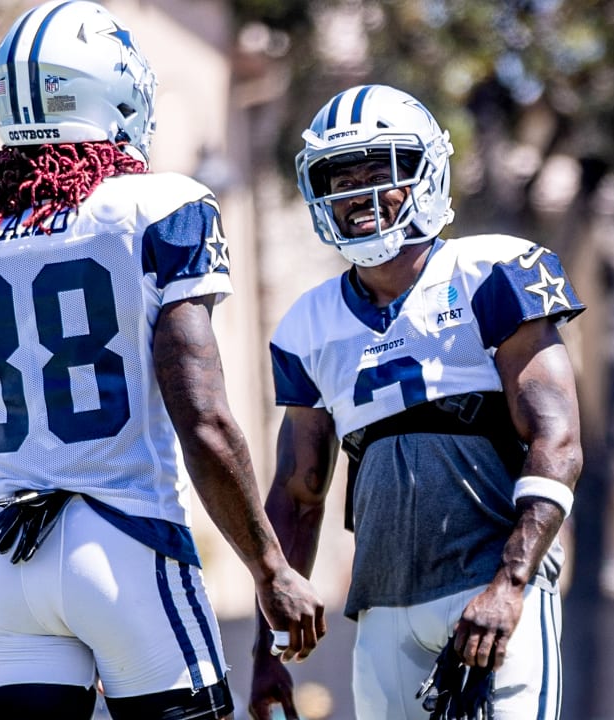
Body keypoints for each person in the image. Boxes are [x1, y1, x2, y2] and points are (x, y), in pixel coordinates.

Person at [0, 2, 325, 718]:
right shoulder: (157, 208)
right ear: (112, 90)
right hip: (129, 541)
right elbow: (204, 418)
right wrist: (270, 568)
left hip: (13, 560)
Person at [247, 84, 585, 720]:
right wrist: (268, 652)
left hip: (487, 589)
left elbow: (558, 443)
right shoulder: (306, 325)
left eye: (382, 170)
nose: (358, 192)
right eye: (341, 176)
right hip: (382, 608)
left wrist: (511, 585)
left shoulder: (491, 271)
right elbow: (298, 494)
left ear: (427, 174)